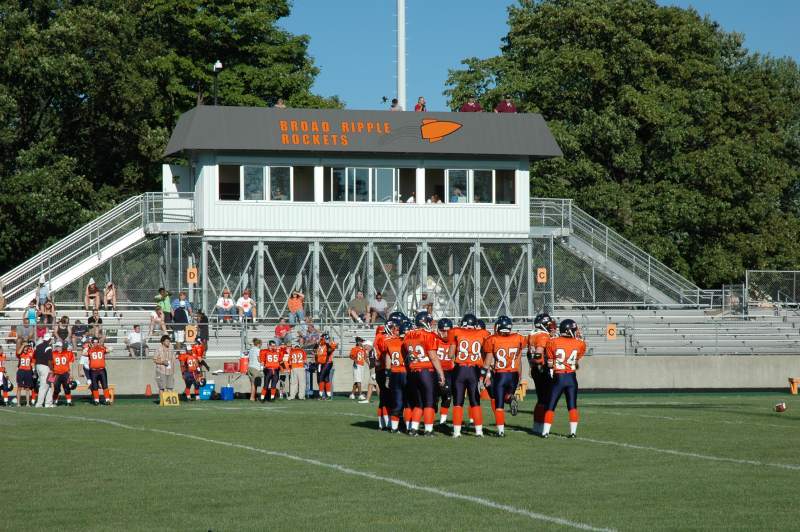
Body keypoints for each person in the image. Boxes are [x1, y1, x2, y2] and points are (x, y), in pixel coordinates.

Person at [401, 312, 446, 436]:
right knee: (429, 402)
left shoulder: (408, 335)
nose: (431, 324)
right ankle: (428, 430)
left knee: (418, 403)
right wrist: (441, 374)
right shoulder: (428, 335)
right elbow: (433, 357)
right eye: (430, 322)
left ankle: (413, 429)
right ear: (425, 321)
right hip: (426, 371)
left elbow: (405, 355)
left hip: (413, 371)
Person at [481, 316, 526, 437]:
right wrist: (520, 375)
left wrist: (482, 376)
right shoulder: (518, 338)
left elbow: (487, 362)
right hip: (514, 374)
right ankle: (511, 398)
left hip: (501, 374)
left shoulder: (493, 339)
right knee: (506, 396)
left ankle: (501, 432)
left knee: (499, 404)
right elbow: (519, 359)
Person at [541, 319, 586, 439]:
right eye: (574, 329)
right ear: (569, 330)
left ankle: (545, 432)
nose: (576, 331)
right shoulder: (580, 343)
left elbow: (550, 364)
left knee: (551, 405)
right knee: (572, 406)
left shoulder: (552, 342)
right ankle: (573, 433)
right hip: (571, 378)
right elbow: (576, 360)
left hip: (558, 378)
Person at [448, 313, 486, 437]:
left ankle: (457, 432)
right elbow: (486, 351)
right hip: (474, 370)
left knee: (458, 402)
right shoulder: (482, 333)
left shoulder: (456, 332)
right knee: (475, 401)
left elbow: (450, 354)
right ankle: (479, 431)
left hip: (460, 370)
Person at [528, 313, 557, 435]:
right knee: (547, 399)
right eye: (548, 325)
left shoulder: (532, 334)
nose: (551, 327)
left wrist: (533, 366)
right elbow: (539, 354)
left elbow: (531, 355)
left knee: (541, 399)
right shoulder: (543, 336)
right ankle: (542, 427)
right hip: (542, 368)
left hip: (536, 368)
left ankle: (537, 426)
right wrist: (541, 365)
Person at [379, 320, 407, 431]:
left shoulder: (389, 341)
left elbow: (387, 360)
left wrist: (387, 376)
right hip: (405, 372)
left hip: (394, 373)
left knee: (397, 401)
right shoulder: (408, 341)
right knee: (408, 402)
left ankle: (394, 428)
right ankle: (409, 426)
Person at [433, 318, 456, 425]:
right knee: (433, 396)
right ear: (438, 330)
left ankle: (442, 422)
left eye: (448, 331)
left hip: (449, 371)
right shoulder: (433, 339)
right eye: (443, 330)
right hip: (435, 371)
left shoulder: (455, 340)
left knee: (447, 396)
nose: (446, 333)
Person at [87, 336, 111, 405]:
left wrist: (103, 345)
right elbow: (84, 353)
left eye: (96, 342)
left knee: (105, 385)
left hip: (101, 370)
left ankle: (107, 399)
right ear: (92, 343)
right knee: (95, 386)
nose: (95, 344)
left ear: (98, 343)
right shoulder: (90, 350)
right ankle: (96, 400)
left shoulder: (101, 348)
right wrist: (89, 347)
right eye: (94, 342)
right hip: (93, 371)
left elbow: (109, 350)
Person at [51, 341, 75, 406]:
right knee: (56, 388)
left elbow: (70, 363)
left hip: (65, 373)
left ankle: (69, 401)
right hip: (56, 374)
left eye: (58, 346)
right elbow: (50, 364)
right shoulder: (53, 353)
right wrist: (51, 374)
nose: (57, 348)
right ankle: (54, 401)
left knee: (67, 387)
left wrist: (71, 373)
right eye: (56, 346)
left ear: (61, 347)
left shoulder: (68, 353)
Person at [34, 333, 54, 408]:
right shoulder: (48, 347)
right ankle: (39, 404)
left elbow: (35, 357)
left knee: (48, 385)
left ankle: (48, 403)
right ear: (49, 339)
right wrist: (52, 369)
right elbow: (49, 361)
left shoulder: (38, 346)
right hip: (45, 367)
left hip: (38, 366)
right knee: (44, 386)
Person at [315, 333, 337, 400]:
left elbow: (331, 350)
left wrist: (327, 343)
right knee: (326, 379)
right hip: (320, 363)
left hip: (327, 363)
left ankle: (321, 395)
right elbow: (315, 350)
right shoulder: (320, 345)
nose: (320, 339)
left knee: (321, 378)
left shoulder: (328, 345)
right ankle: (328, 395)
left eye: (322, 338)